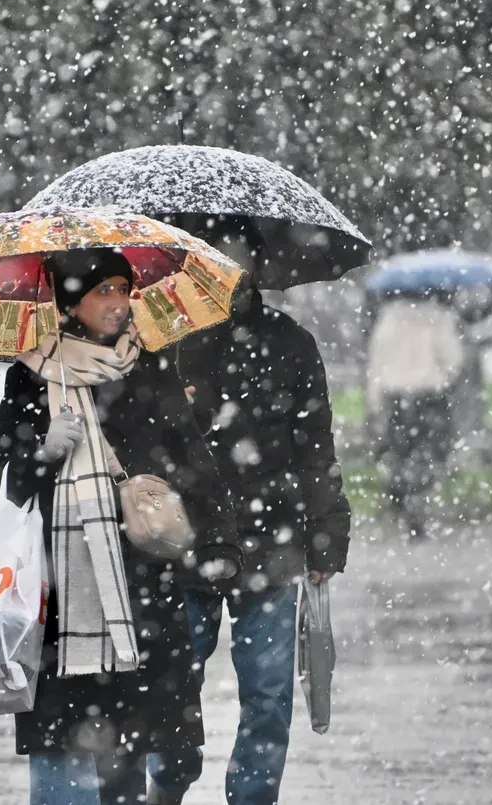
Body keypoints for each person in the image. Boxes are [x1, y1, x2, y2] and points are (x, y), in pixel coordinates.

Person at [0, 248, 242, 805]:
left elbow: (194, 457)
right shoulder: (29, 376)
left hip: (143, 584)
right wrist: (41, 453)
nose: (120, 303)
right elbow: (2, 478)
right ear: (71, 300)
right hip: (66, 590)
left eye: (124, 289)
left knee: (138, 739)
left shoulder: (147, 364)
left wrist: (219, 539)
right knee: (67, 744)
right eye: (104, 290)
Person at [148, 233, 352, 805]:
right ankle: (165, 787)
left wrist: (326, 532)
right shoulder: (164, 339)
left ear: (258, 264)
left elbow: (316, 447)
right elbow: (140, 443)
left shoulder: (290, 343)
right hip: (180, 544)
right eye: (214, 255)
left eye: (238, 254)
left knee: (268, 697)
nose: (227, 267)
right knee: (171, 690)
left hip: (272, 543)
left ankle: (252, 798)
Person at [365, 292, 465, 536]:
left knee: (400, 450)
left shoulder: (388, 319)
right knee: (428, 452)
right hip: (429, 396)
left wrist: (375, 400)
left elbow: (376, 363)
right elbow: (453, 360)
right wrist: (441, 374)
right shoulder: (440, 319)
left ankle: (399, 492)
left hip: (396, 397)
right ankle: (415, 502)